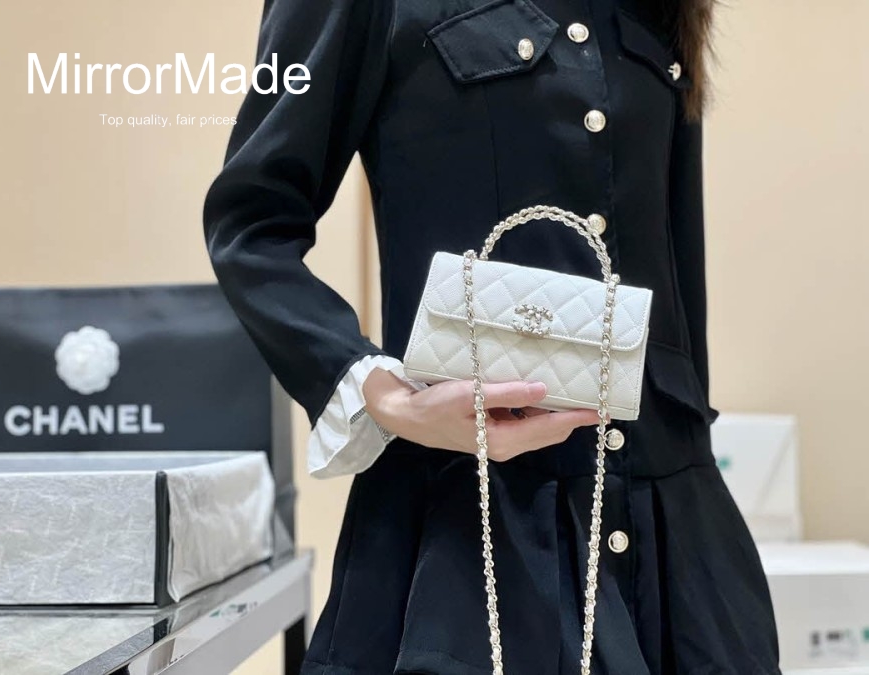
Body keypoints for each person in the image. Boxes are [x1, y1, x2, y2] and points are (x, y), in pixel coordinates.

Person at [203, 0, 782, 672]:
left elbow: (677, 269)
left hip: (679, 547)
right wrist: (381, 395)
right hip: (471, 530)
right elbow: (251, 225)